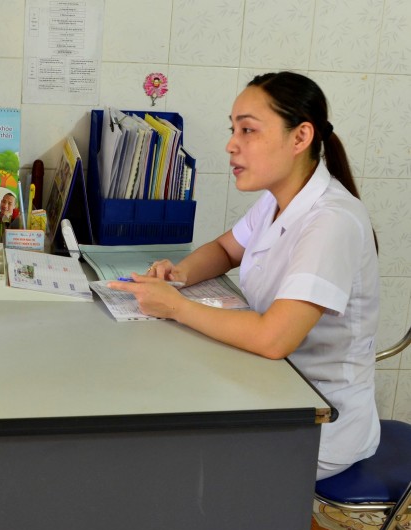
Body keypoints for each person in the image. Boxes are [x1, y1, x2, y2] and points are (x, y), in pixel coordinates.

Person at [109, 71, 380, 481]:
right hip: (268, 386)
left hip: (319, 420)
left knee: (173, 454)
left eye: (248, 130)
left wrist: (177, 307)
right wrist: (178, 274)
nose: (231, 144)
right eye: (233, 129)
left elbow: (274, 338)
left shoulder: (332, 221)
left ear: (300, 137)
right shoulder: (277, 201)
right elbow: (223, 250)